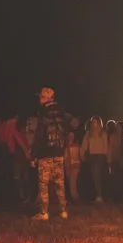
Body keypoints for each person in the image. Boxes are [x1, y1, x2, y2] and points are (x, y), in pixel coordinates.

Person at [31, 87, 69, 221]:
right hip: (59, 152)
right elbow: (66, 130)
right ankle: (63, 211)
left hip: (45, 153)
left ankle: (43, 213)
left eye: (41, 97)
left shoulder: (43, 113)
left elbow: (39, 135)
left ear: (48, 98)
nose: (39, 99)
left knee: (43, 184)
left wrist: (33, 155)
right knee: (60, 183)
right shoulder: (61, 112)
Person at [81, 116, 109, 203]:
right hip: (92, 156)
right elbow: (84, 145)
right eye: (93, 122)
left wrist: (107, 156)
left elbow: (106, 145)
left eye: (96, 122)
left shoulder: (102, 133)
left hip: (101, 156)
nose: (94, 124)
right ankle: (98, 195)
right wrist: (82, 155)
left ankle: (100, 195)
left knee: (98, 175)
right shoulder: (88, 133)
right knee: (94, 175)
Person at [107, 120, 123, 202]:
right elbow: (110, 150)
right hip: (116, 160)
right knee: (116, 179)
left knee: (120, 179)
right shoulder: (114, 137)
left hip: (122, 160)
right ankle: (117, 196)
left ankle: (120, 195)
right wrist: (109, 160)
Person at [64, 116, 82, 203]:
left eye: (76, 121)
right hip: (68, 156)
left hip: (75, 157)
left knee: (73, 177)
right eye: (73, 121)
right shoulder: (66, 132)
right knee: (69, 177)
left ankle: (75, 196)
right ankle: (73, 195)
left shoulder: (80, 133)